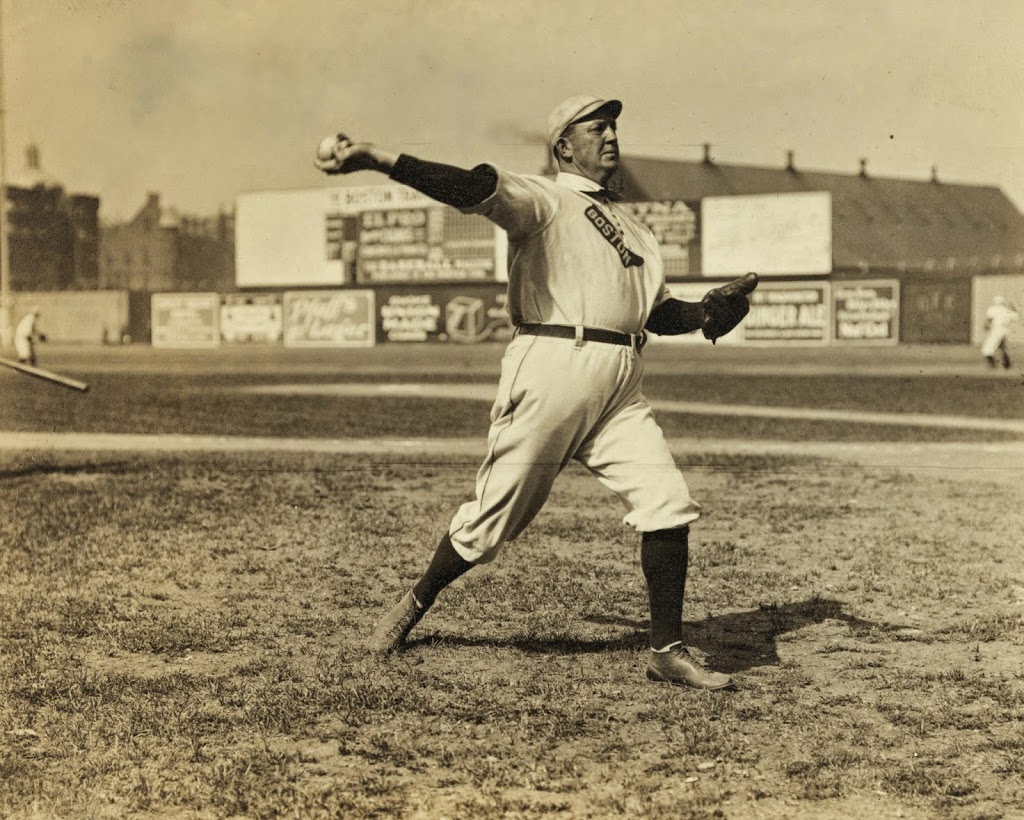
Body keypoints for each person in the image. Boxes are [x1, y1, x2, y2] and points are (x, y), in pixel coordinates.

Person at [316, 95, 755, 690]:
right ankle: (415, 602)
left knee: (668, 504)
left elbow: (655, 314)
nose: (610, 136)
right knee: (491, 522)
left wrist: (706, 314)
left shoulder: (640, 232)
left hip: (622, 379)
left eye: (614, 127)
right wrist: (377, 158)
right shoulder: (545, 200)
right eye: (596, 127)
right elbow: (469, 185)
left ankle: (666, 651)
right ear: (563, 147)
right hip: (553, 363)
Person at [980, 295, 1019, 369]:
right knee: (1002, 347)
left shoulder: (993, 309)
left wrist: (985, 327)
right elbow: (1016, 317)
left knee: (987, 348)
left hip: (996, 330)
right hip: (1005, 330)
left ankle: (992, 365)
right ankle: (1007, 364)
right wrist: (1013, 307)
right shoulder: (1006, 310)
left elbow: (989, 319)